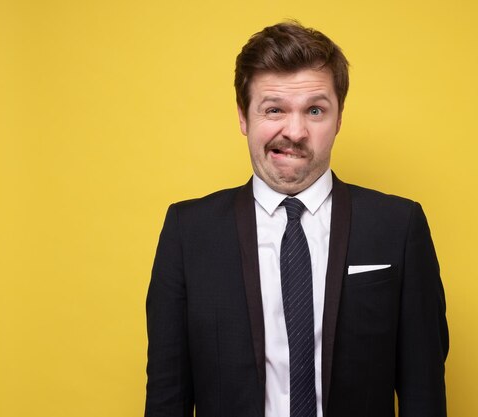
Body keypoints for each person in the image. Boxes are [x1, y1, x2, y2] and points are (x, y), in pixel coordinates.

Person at [145, 21, 448, 417]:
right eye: (274, 109)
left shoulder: (398, 226)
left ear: (339, 118)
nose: (295, 131)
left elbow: (423, 393)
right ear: (243, 117)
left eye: (315, 110)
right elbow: (167, 397)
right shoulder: (188, 232)